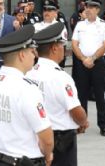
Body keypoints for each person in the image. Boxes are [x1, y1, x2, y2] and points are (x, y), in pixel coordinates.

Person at [0, 25, 54, 166]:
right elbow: (47, 138)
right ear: (21, 55)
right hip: (24, 161)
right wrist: (48, 153)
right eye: (32, 51)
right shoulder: (27, 89)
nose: (35, 56)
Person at [27, 23, 88, 166]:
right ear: (54, 48)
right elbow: (77, 112)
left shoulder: (29, 73)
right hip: (60, 141)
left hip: (36, 137)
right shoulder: (61, 77)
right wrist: (82, 122)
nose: (64, 48)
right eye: (62, 45)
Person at [71, 0, 105, 136]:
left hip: (98, 62)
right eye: (86, 7)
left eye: (90, 7)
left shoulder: (104, 24)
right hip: (82, 63)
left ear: (97, 10)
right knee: (81, 94)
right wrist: (83, 59)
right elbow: (74, 44)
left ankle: (103, 125)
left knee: (100, 94)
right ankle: (81, 124)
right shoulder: (80, 24)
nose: (87, 10)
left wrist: (93, 58)